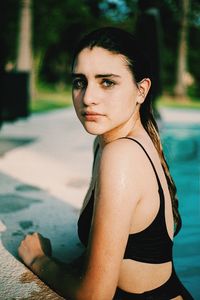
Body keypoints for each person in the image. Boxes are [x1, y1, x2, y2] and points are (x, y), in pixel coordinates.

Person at [18, 27, 193, 300]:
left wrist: (38, 259)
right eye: (79, 82)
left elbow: (94, 295)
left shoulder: (122, 155)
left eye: (107, 82)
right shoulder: (110, 140)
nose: (88, 98)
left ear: (141, 90)